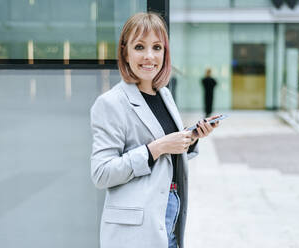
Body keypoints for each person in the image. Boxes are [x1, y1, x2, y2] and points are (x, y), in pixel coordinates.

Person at [90, 12, 219, 248]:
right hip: (136, 230)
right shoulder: (111, 103)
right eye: (140, 46)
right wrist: (155, 149)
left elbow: (167, 155)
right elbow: (102, 173)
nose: (149, 56)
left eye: (157, 47)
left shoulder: (164, 95)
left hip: (169, 215)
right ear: (125, 52)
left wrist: (191, 138)